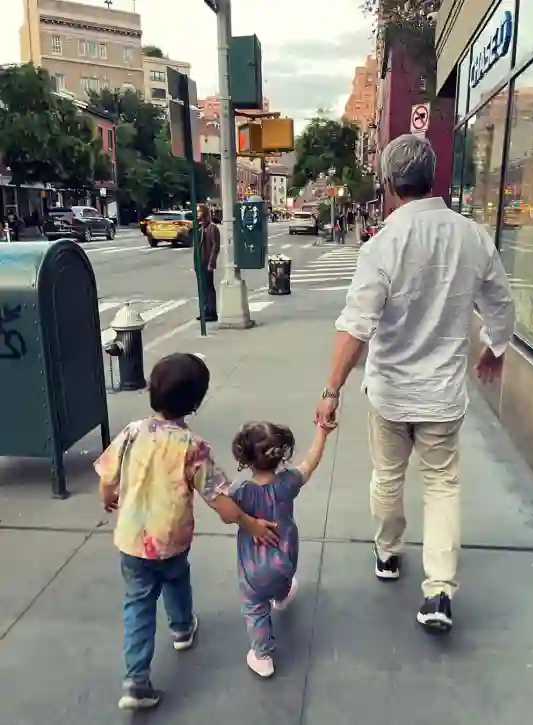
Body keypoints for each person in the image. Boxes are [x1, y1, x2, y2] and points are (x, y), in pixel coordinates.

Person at [315, 134, 515, 633]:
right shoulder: (471, 236)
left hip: (389, 392)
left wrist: (331, 390)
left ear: (387, 184)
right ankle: (439, 592)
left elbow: (355, 325)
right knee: (442, 485)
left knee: (387, 475)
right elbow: (501, 302)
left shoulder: (383, 244)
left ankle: (388, 554)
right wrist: (495, 348)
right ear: (433, 180)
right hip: (442, 395)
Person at [94, 353, 279, 711]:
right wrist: (250, 523)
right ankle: (181, 628)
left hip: (132, 541)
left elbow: (107, 476)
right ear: (195, 402)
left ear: (151, 389)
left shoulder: (132, 432)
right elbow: (221, 504)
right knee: (177, 580)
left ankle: (136, 680)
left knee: (138, 605)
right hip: (172, 541)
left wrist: (110, 497)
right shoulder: (192, 447)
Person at [228, 420, 334, 678]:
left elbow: (220, 502)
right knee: (282, 580)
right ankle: (282, 595)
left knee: (256, 609)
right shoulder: (288, 483)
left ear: (246, 457)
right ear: (279, 454)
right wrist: (322, 431)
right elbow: (311, 461)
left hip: (254, 571)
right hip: (285, 558)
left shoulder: (240, 492)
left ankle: (262, 655)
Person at [197, 204, 220, 322]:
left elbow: (215, 246)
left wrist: (212, 262)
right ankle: (205, 310)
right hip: (200, 262)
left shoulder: (212, 228)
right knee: (202, 288)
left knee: (209, 287)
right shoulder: (201, 228)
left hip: (207, 262)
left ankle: (212, 312)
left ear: (204, 213)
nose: (197, 214)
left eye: (199, 212)